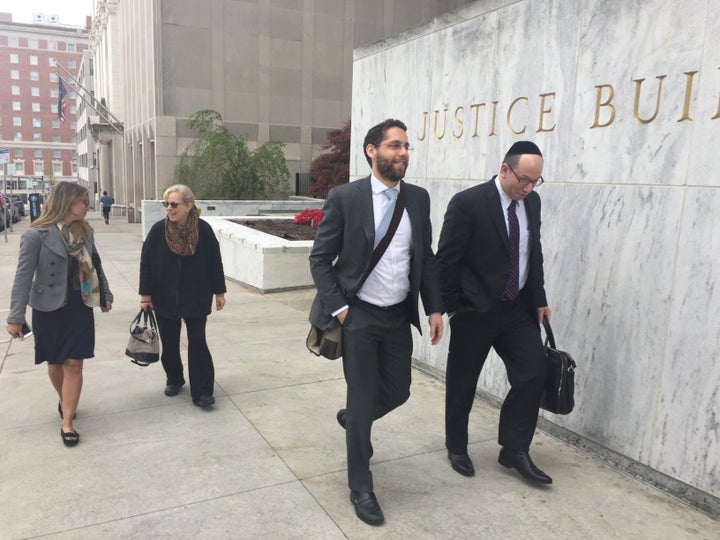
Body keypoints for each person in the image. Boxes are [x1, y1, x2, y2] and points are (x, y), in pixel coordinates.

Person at [309, 119, 444, 526]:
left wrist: (434, 308)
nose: (403, 153)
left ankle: (355, 421)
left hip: (398, 317)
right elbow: (320, 259)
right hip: (359, 317)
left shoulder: (418, 199)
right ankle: (361, 486)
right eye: (394, 146)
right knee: (363, 395)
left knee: (399, 391)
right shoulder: (345, 198)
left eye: (406, 147)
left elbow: (427, 259)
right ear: (372, 151)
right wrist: (342, 310)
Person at [437, 141, 553, 484]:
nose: (529, 187)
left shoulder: (531, 202)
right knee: (463, 383)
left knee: (533, 371)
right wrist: (454, 308)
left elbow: (534, 252)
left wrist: (539, 297)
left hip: (518, 310)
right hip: (475, 311)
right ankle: (456, 446)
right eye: (524, 179)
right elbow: (447, 260)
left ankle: (514, 449)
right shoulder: (469, 203)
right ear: (505, 169)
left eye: (535, 181)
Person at [6, 182, 113, 447]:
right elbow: (22, 277)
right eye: (83, 201)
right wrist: (15, 317)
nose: (87, 205)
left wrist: (105, 294)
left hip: (79, 305)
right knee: (54, 363)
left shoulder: (85, 232)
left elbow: (95, 265)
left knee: (75, 364)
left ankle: (67, 422)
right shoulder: (36, 235)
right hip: (48, 308)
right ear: (65, 202)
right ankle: (65, 399)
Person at [139, 184, 226, 408]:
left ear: (188, 206)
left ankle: (203, 391)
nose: (169, 208)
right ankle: (174, 378)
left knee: (197, 342)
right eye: (166, 204)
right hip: (164, 296)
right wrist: (145, 295)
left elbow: (214, 262)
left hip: (196, 295)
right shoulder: (159, 231)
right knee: (170, 344)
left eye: (174, 204)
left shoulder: (203, 231)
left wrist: (219, 292)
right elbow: (146, 263)